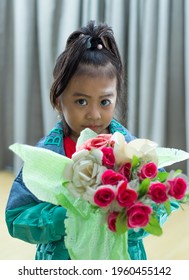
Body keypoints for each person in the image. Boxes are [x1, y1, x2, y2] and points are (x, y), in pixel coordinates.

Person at [5, 20, 178, 260]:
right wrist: (69, 218)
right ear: (58, 100)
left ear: (116, 97)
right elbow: (16, 217)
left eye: (105, 101)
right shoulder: (45, 157)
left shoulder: (133, 152)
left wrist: (131, 215)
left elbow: (158, 208)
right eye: (81, 102)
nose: (94, 115)